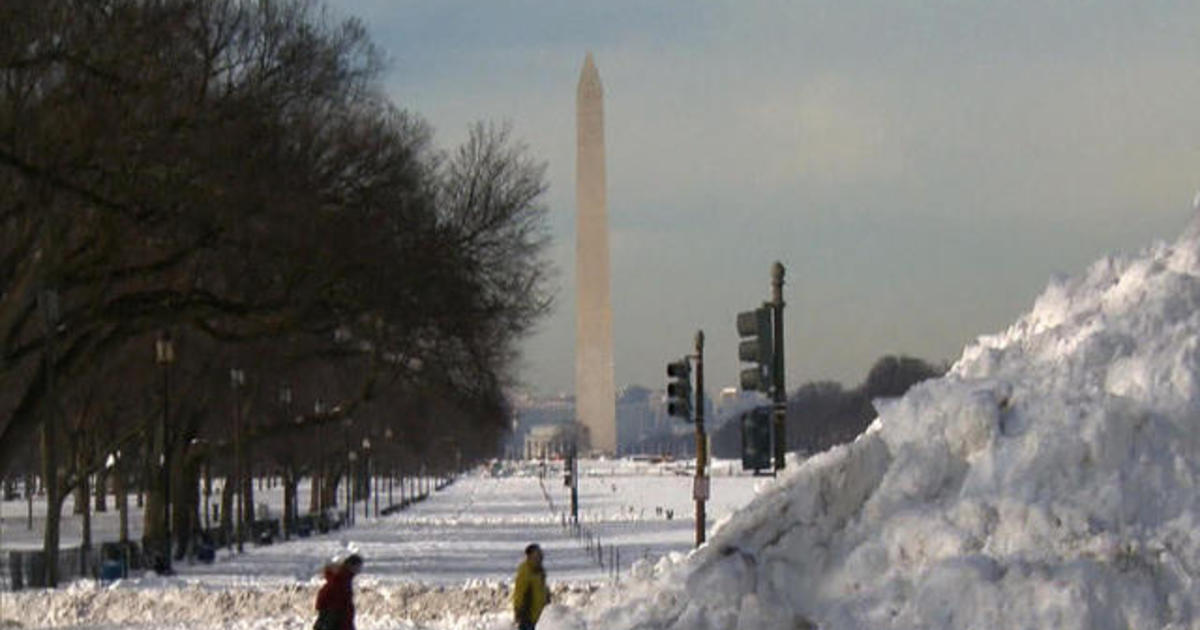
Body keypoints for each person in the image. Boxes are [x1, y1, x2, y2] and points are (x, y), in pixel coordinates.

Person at [314, 554, 363, 630]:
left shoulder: (344, 578)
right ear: (350, 565)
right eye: (358, 567)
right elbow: (340, 607)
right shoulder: (341, 580)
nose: (359, 570)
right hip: (335, 622)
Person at [513, 543, 550, 630]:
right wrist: (520, 613)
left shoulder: (540, 571)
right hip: (528, 619)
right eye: (537, 555)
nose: (540, 557)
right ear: (529, 556)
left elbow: (543, 590)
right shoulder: (525, 572)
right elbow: (519, 594)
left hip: (540, 618)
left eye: (541, 554)